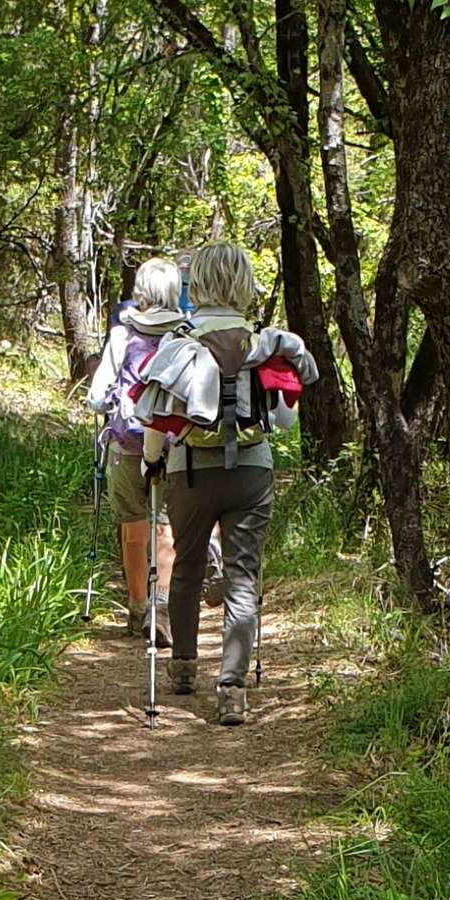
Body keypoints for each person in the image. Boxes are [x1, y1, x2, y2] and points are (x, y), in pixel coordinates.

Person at [137, 236, 320, 723]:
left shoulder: (179, 342)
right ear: (242, 282)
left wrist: (150, 463)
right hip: (252, 472)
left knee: (188, 566)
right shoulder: (263, 342)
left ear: (198, 283)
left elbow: (158, 420)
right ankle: (232, 688)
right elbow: (284, 420)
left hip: (190, 471)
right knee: (242, 577)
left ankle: (183, 666)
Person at [78, 255, 185, 636]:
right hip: (173, 445)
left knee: (133, 527)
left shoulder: (123, 335)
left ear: (140, 292)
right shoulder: (185, 335)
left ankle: (138, 606)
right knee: (166, 526)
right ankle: (162, 607)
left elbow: (96, 398)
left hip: (126, 445)